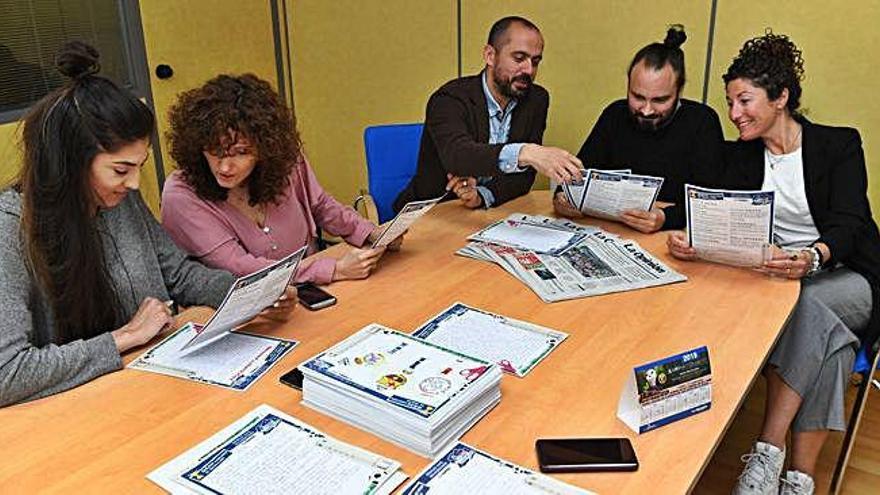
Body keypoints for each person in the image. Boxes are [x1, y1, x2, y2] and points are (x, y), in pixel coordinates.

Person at [0, 42, 295, 407]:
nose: (135, 184)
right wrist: (122, 337)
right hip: (76, 408)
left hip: (149, 383)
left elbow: (180, 275)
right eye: (121, 170)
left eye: (139, 167)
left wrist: (249, 295)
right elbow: (8, 373)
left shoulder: (118, 199)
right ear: (71, 163)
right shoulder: (10, 230)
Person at [667, 32, 880, 495]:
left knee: (807, 308)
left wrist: (812, 256)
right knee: (832, 346)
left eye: (744, 101)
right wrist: (690, 238)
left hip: (849, 275)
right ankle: (800, 482)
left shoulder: (838, 146)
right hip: (782, 283)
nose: (734, 114)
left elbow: (851, 224)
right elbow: (713, 212)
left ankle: (767, 450)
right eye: (729, 102)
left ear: (781, 98)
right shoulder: (740, 156)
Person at [162, 74, 401, 285]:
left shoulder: (286, 161)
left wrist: (371, 233)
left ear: (265, 149)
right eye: (214, 150)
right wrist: (333, 270)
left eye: (242, 152)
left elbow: (321, 205)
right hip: (244, 307)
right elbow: (237, 267)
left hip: (307, 292)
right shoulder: (181, 194)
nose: (224, 166)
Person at [393, 15, 583, 212]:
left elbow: (523, 177)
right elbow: (458, 155)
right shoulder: (449, 98)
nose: (528, 69)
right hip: (428, 213)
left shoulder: (536, 99)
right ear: (490, 55)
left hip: (484, 214)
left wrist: (482, 196)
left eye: (535, 61)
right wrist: (526, 152)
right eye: (519, 58)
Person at [555, 25, 724, 233]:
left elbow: (710, 203)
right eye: (637, 97)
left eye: (660, 100)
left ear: (679, 91)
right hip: (609, 230)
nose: (646, 110)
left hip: (670, 236)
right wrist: (564, 197)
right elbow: (580, 172)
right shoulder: (615, 113)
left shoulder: (702, 122)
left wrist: (665, 218)